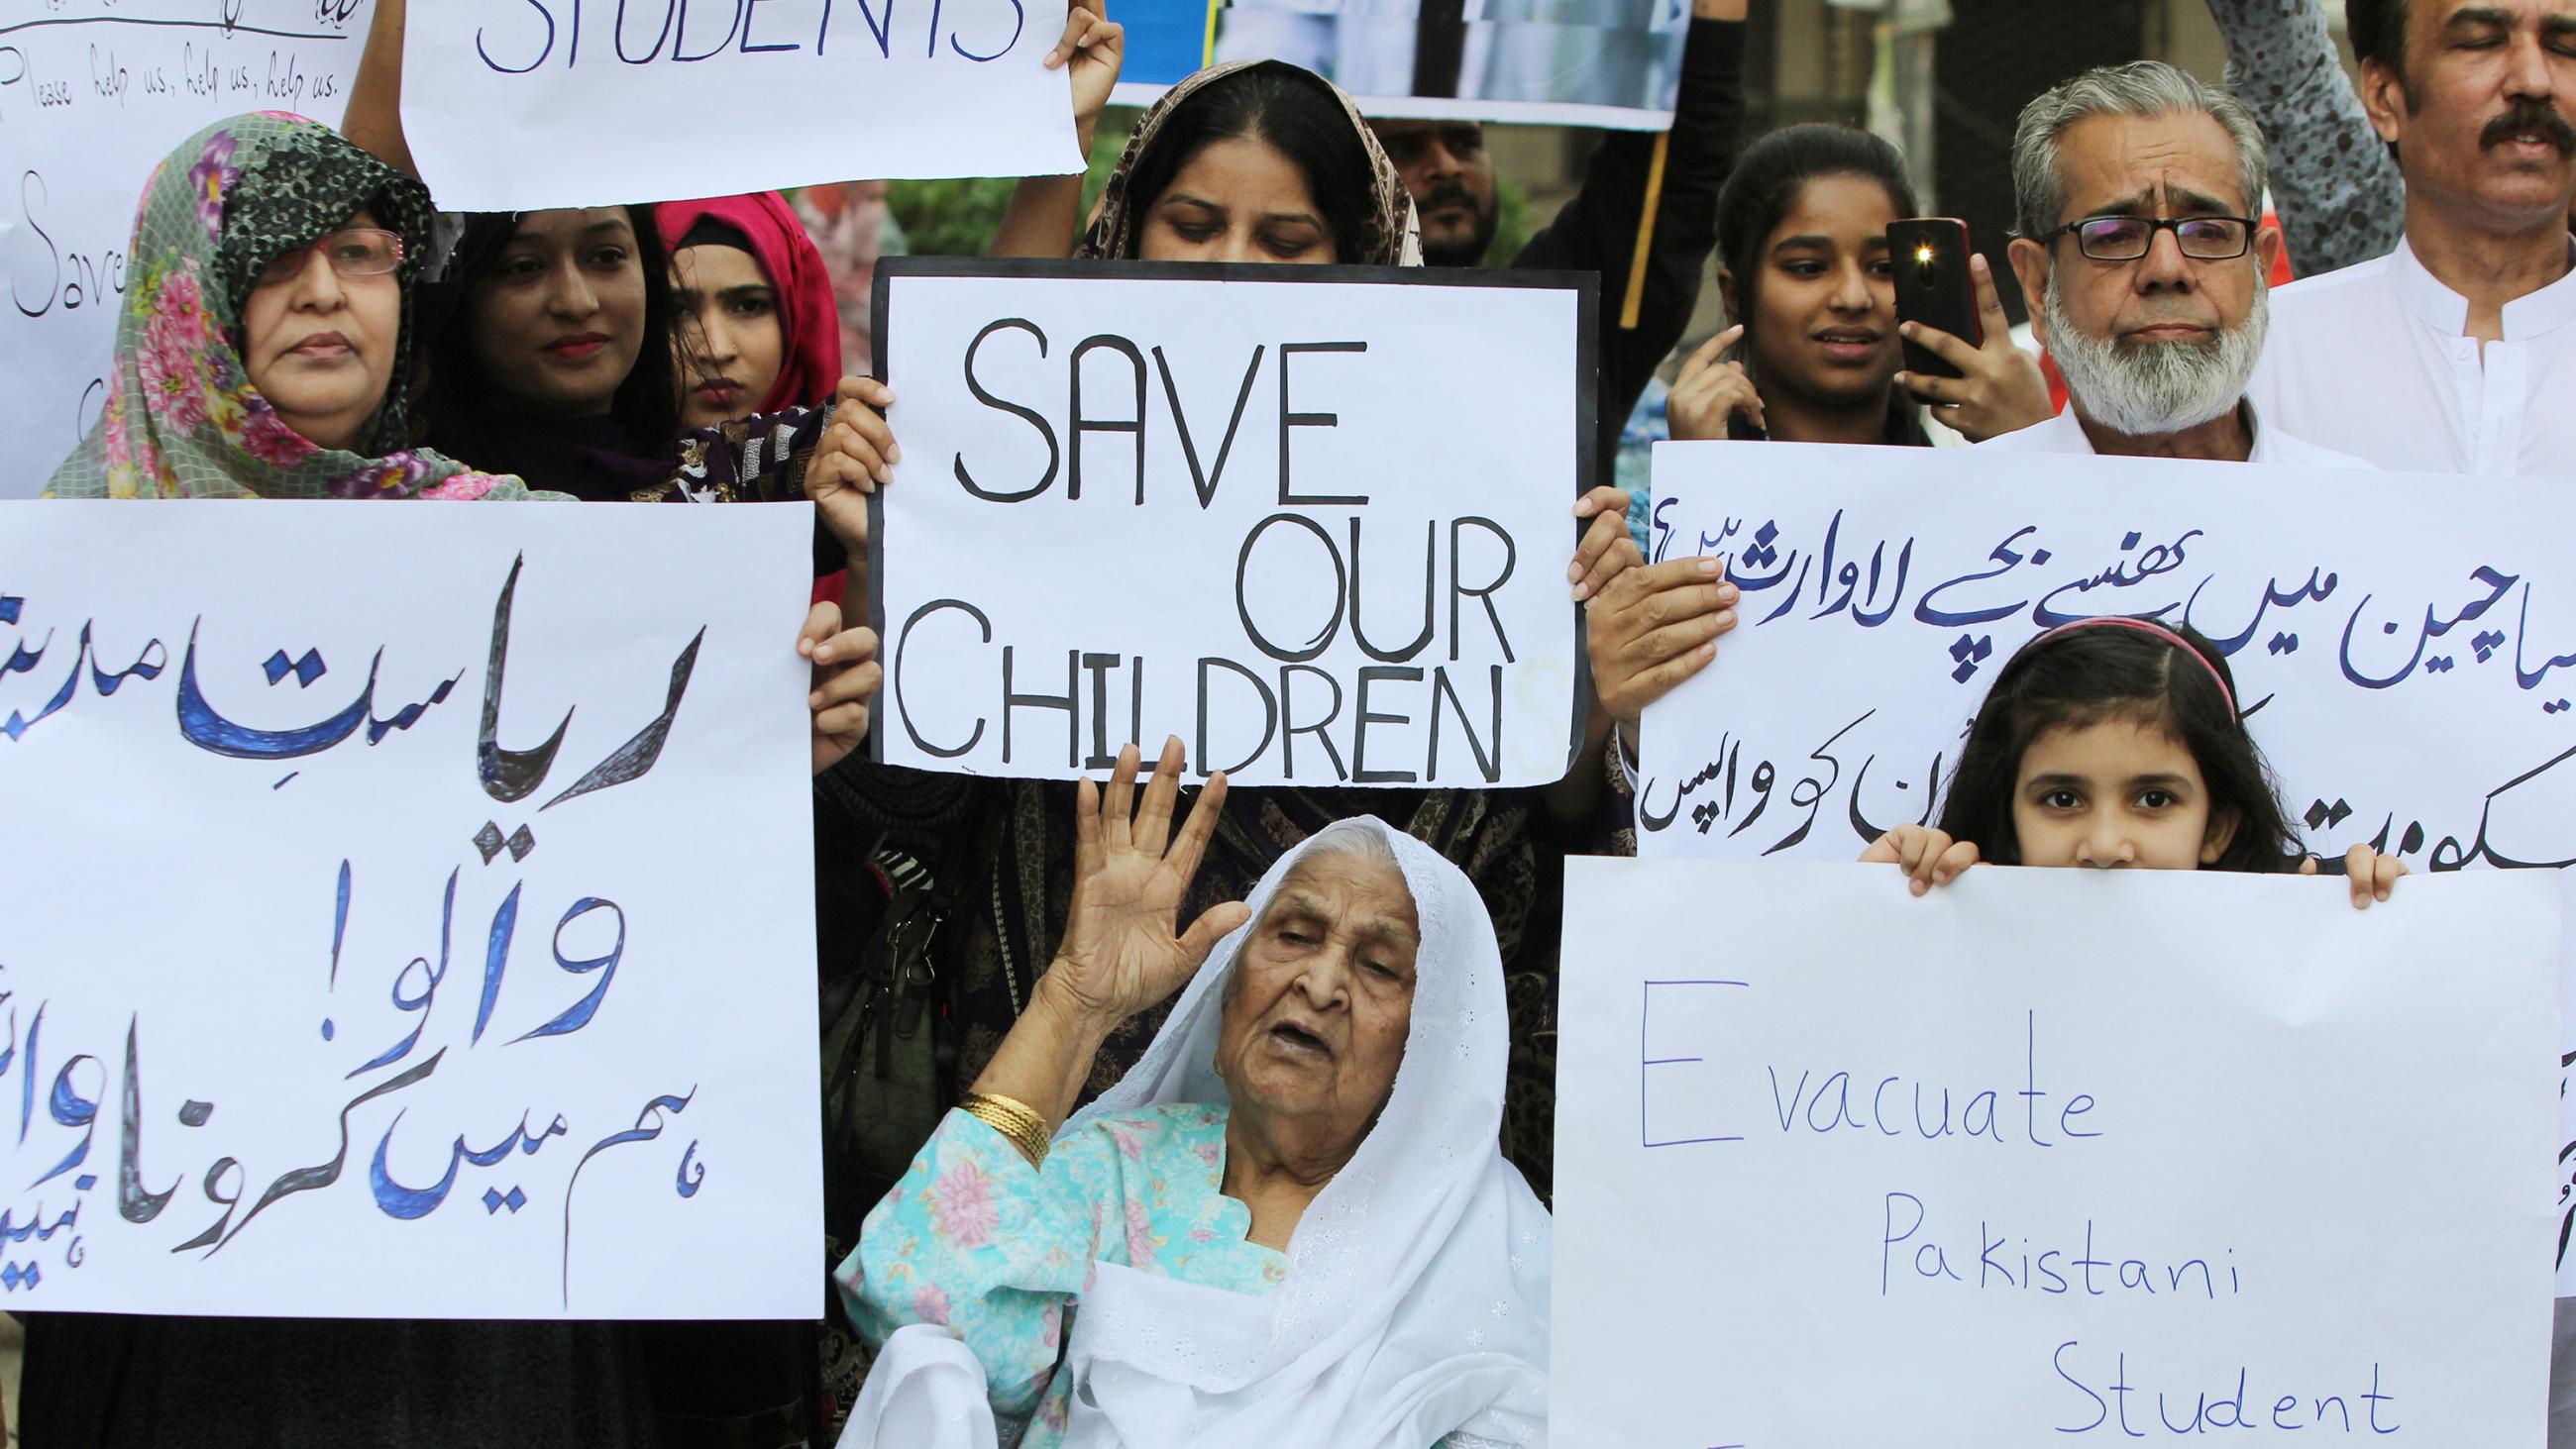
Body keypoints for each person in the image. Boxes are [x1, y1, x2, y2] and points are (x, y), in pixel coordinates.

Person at [26, 111, 882, 1449]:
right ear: (184, 290)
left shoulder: (521, 553)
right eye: (272, 258)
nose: (325, 292)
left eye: (364, 254)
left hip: (482, 1303)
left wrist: (771, 740)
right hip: (183, 1297)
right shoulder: (59, 602)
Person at [782, 54, 1630, 1198]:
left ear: (1366, 260)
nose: (1232, 268)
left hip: (1345, 1187)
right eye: (1192, 224)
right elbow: (918, 805)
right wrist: (906, 559)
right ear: (1128, 229)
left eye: (1286, 243)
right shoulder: (1034, 481)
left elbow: (1504, 859)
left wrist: (1579, 688)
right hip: (1051, 1161)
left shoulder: (1465, 509)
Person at [835, 742, 1549, 1448]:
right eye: (1295, 934)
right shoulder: (1119, 1168)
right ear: (1227, 988)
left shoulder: (1482, 1232)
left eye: (1379, 966)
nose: (1321, 983)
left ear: (1424, 1044)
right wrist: (1075, 1002)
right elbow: (919, 1301)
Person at [1574, 125, 2050, 850]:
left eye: (1886, 267)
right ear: (1736, 297)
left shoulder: (1992, 493)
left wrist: (2041, 458)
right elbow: (1573, 805)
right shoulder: (1629, 538)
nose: (1854, 297)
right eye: (1806, 267)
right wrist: (1705, 498)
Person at [1370, 0, 1752, 478]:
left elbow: (1679, 169)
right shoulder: (1301, 325)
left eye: (1465, 142)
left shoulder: (1569, 314)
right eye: (1404, 147)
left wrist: (1711, 15)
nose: (1447, 165)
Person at [1859, 618, 2404, 909]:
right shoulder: (1944, 933)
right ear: (2009, 815)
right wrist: (1867, 916)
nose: (2104, 848)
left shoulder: (2304, 928)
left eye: (2154, 800)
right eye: (2062, 800)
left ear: (2216, 827)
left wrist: (2375, 916)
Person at [2243, 0, 2576, 476]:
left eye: (2565, 47)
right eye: (2481, 42)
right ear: (2383, 95)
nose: (2533, 80)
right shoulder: (2262, 359)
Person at [1986, 61, 2369, 465]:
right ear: (2038, 284)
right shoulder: (1961, 515)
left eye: (2208, 232)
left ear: (2260, 267)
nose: (2168, 270)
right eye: (2114, 235)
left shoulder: (2362, 510)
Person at [662, 191, 846, 431]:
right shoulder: (601, 466)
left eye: (749, 306)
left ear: (793, 318)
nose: (716, 350)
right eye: (678, 311)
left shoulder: (868, 461)